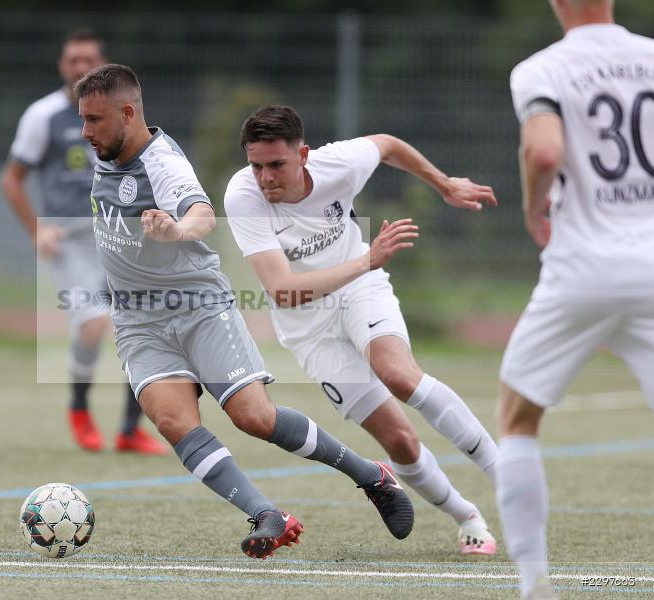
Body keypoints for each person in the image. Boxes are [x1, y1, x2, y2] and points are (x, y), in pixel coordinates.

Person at [75, 63, 416, 559]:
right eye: (83, 119)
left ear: (128, 113)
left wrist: (176, 230)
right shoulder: (106, 151)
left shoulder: (163, 163)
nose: (86, 131)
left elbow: (201, 213)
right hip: (138, 320)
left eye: (94, 120)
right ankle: (265, 514)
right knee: (172, 420)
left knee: (254, 417)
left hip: (197, 307)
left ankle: (371, 475)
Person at [224, 105, 500, 555]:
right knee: (400, 441)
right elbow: (283, 292)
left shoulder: (339, 163)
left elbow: (387, 145)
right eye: (257, 166)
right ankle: (467, 516)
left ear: (304, 156)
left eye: (277, 164)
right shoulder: (243, 197)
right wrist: (367, 259)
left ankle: (507, 477)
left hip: (359, 291)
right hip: (308, 328)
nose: (266, 177)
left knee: (399, 375)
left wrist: (444, 184)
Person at [496, 1, 654, 598]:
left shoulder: (543, 68)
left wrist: (533, 206)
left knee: (517, 418)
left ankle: (535, 584)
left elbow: (543, 151)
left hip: (582, 269)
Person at [2, 31, 164, 455]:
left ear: (101, 63)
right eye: (72, 59)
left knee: (140, 324)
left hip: (121, 235)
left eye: (87, 59)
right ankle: (79, 408)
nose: (79, 66)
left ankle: (130, 429)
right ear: (62, 65)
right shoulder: (43, 116)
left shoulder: (123, 113)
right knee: (93, 325)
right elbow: (12, 179)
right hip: (71, 242)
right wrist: (36, 230)